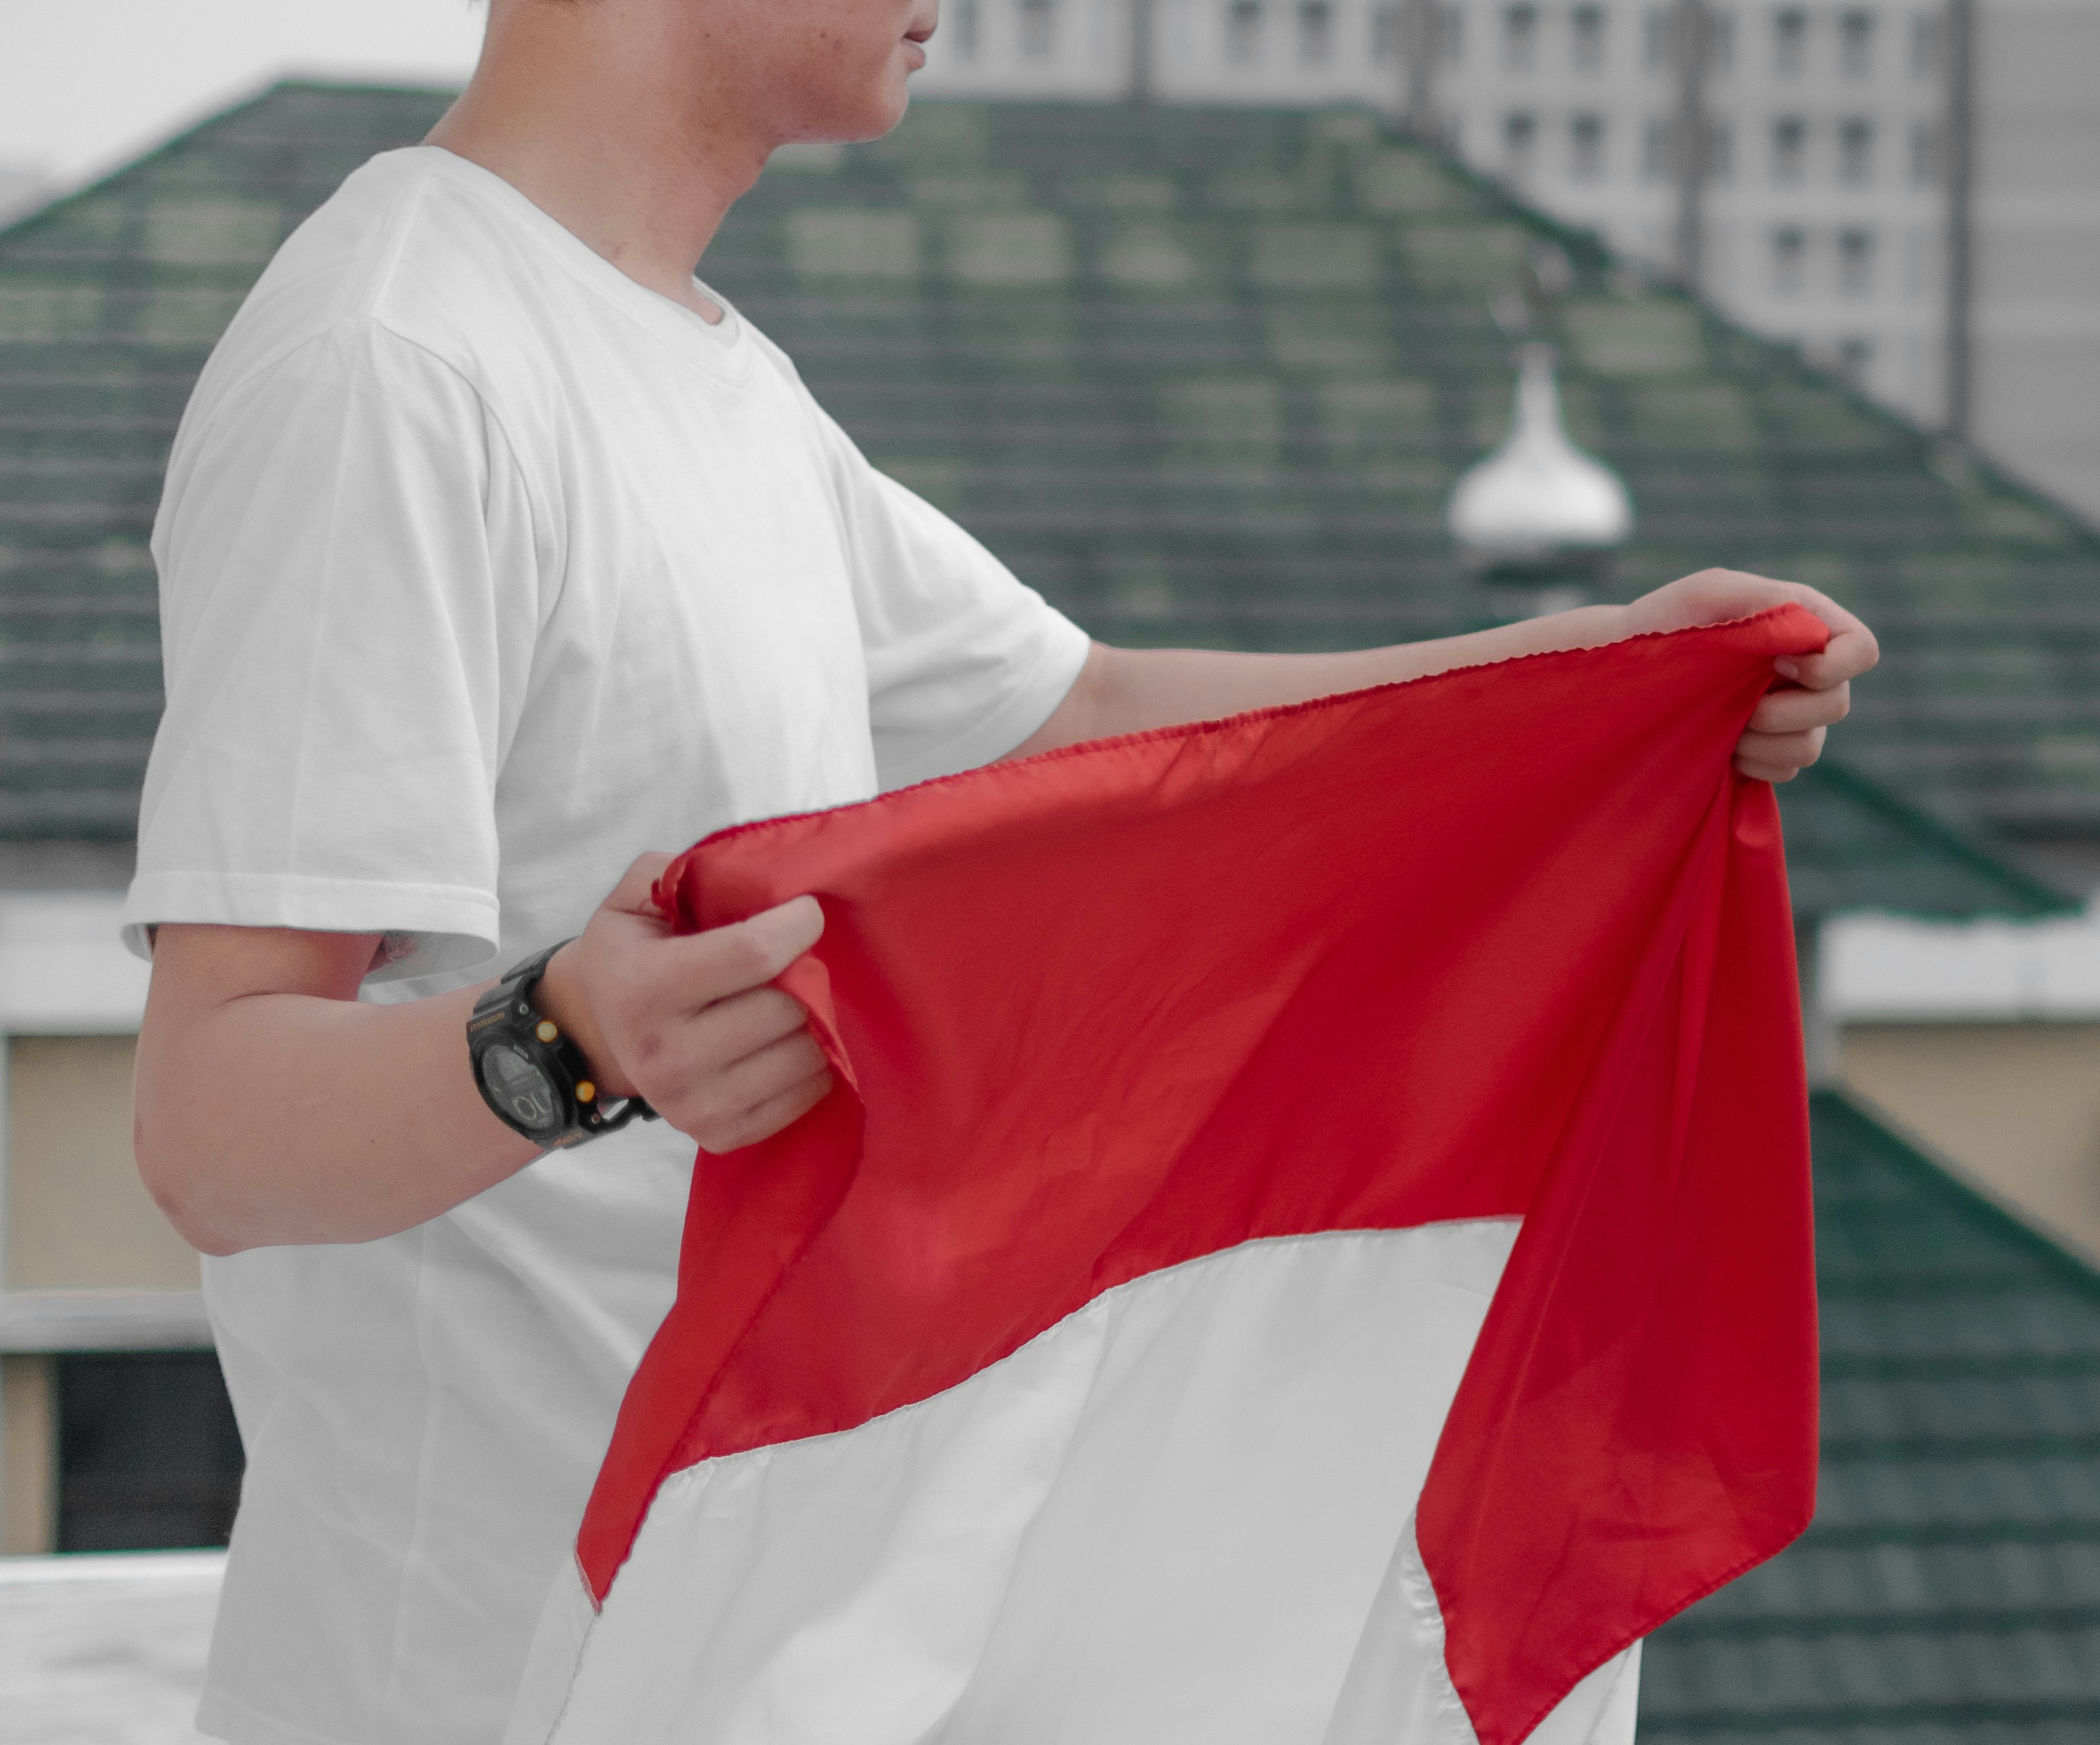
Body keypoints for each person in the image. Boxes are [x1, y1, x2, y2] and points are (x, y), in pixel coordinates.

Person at [121, 3, 1878, 1741]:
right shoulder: (394, 366)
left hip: (727, 1641)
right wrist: (571, 1045)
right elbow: (211, 1124)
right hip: (463, 1672)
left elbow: (1084, 713)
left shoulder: (709, 380)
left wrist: (1597, 679)